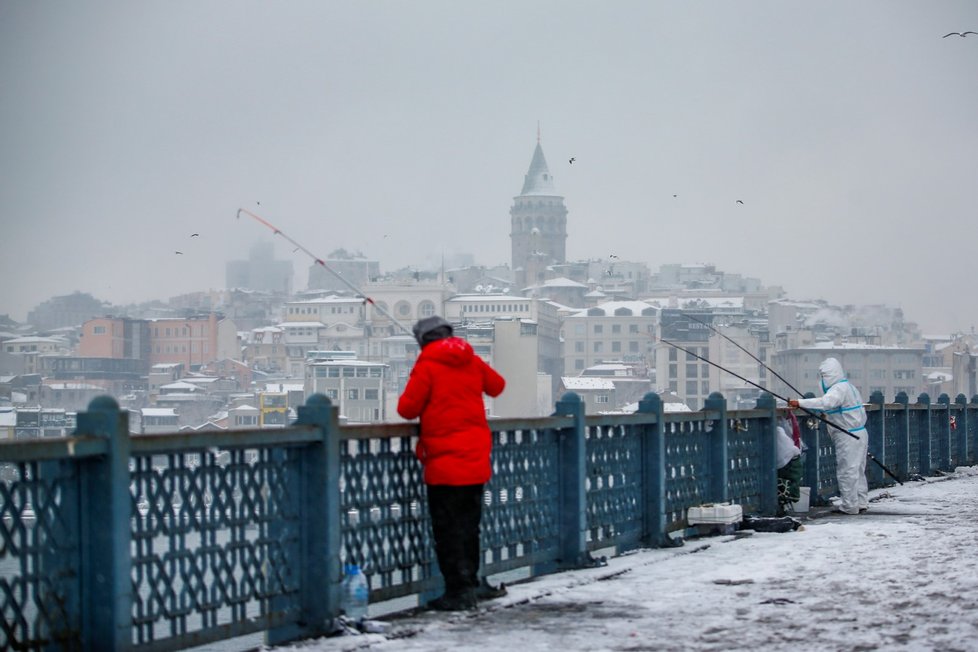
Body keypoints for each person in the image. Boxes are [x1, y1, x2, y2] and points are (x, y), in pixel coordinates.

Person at [397, 316, 506, 611]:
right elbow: (497, 386)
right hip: (474, 458)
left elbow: (407, 409)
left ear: (423, 341)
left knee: (447, 530)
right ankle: (471, 583)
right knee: (470, 527)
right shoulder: (470, 358)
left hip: (445, 463)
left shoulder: (428, 364)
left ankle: (458, 592)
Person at [788, 357, 868, 515]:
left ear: (829, 376)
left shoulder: (838, 389)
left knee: (847, 471)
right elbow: (839, 409)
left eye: (823, 376)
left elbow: (827, 403)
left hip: (848, 436)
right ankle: (860, 501)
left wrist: (800, 403)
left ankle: (850, 506)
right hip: (858, 433)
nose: (822, 380)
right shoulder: (848, 387)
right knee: (857, 470)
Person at [775, 411, 803, 514]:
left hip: (788, 461)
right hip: (792, 458)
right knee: (792, 481)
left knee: (788, 482)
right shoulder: (781, 433)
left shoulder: (777, 432)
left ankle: (785, 501)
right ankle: (788, 500)